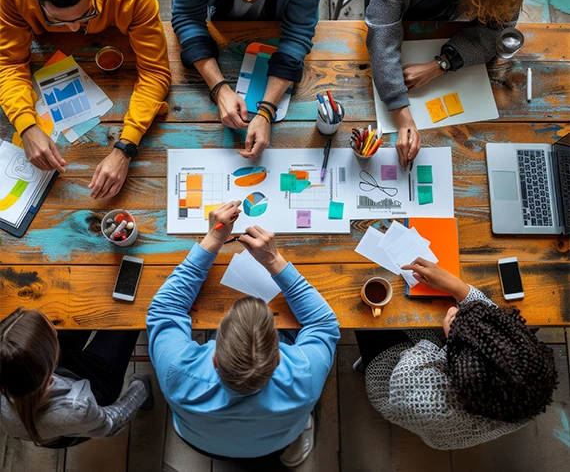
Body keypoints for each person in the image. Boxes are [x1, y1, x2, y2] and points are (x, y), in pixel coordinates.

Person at [147, 201, 339, 467]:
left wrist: (213, 238)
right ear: (279, 356)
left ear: (214, 357)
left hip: (198, 440)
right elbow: (323, 324)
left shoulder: (178, 372)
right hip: (275, 442)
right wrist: (273, 260)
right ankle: (296, 431)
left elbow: (165, 310)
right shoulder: (304, 375)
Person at [0, 0, 172, 199]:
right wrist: (26, 126)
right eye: (57, 21)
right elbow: (9, 63)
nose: (71, 30)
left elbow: (156, 72)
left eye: (85, 15)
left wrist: (125, 147)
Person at [366, 0, 525, 168]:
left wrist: (441, 64)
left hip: (445, 32)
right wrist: (402, 115)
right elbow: (383, 29)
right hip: (397, 15)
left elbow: (500, 28)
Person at [353, 259, 557, 450]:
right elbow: (497, 334)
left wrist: (451, 336)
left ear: (456, 363)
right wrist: (459, 288)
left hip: (394, 380)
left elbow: (418, 354)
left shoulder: (414, 390)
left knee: (369, 320)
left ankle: (366, 363)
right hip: (461, 400)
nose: (453, 310)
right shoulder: (533, 381)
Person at [172, 0, 326, 159]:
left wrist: (266, 111)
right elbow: (187, 16)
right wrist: (219, 88)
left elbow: (299, 30)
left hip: (275, 23)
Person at [0, 308, 152, 447]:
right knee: (128, 317)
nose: (54, 332)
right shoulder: (77, 408)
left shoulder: (9, 365)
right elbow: (112, 424)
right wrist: (140, 387)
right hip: (95, 390)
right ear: (52, 355)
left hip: (50, 382)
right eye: (52, 333)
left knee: (80, 311)